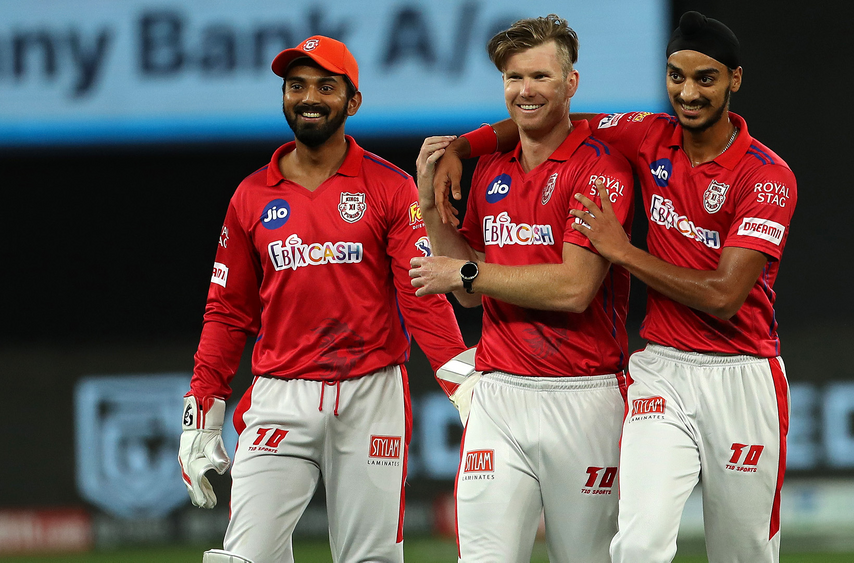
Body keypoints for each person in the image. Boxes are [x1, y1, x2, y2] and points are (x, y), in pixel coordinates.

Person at [433, 11, 797, 563]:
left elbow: (725, 297)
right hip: (663, 370)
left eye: (705, 79)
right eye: (676, 76)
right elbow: (554, 117)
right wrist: (461, 148)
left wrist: (623, 252)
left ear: (735, 80)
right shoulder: (648, 135)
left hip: (743, 373)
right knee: (638, 546)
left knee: (743, 553)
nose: (688, 93)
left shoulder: (767, 177)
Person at [177, 35, 469, 563]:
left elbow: (420, 291)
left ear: (352, 101)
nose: (309, 98)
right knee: (246, 558)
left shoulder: (390, 186)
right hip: (279, 396)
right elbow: (227, 310)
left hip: (371, 394)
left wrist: (461, 381)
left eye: (325, 87)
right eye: (296, 86)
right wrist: (202, 409)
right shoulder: (250, 196)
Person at [407, 14, 635, 563]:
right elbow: (467, 291)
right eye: (514, 78)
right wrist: (432, 209)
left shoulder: (600, 168)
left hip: (585, 396)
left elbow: (574, 288)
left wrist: (468, 273)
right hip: (499, 395)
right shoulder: (490, 169)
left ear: (571, 83)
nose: (525, 91)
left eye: (540, 76)